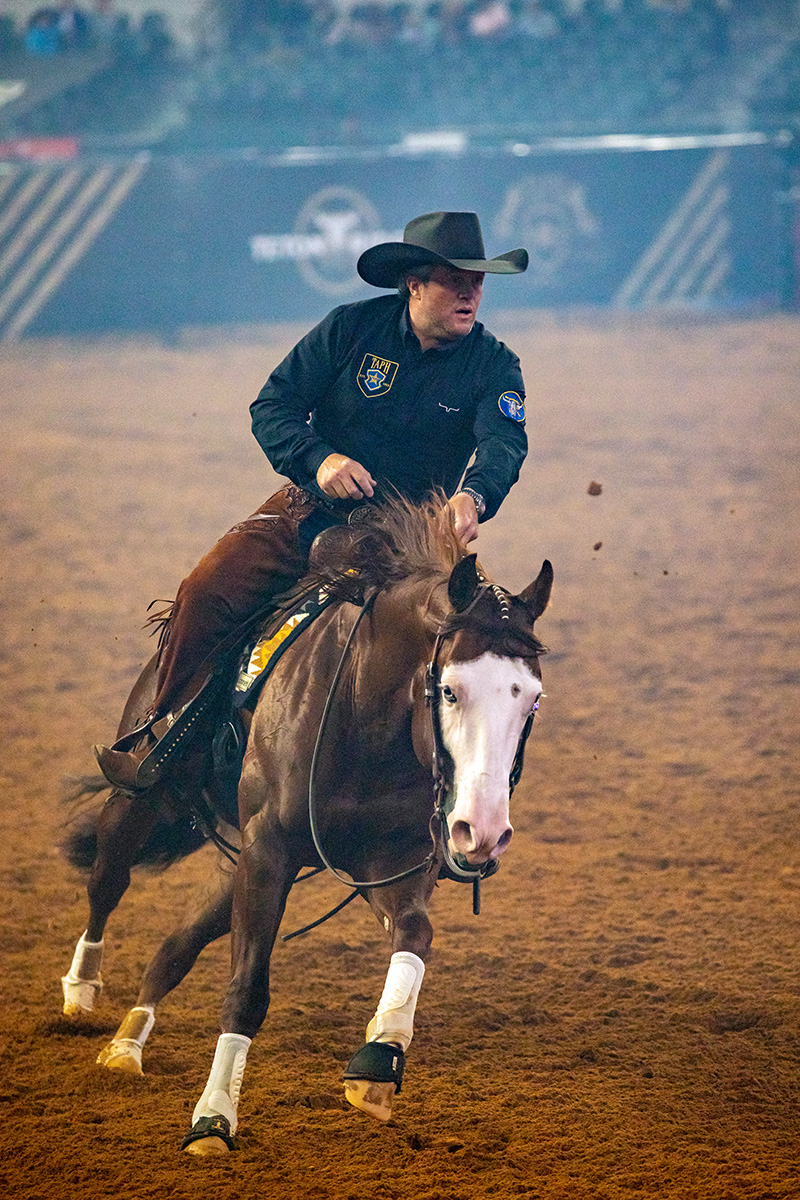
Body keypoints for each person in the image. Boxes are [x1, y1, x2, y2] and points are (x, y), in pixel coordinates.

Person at [95, 210, 530, 792]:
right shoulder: (350, 330)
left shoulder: (495, 365)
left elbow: (504, 443)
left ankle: (468, 792)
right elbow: (272, 406)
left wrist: (475, 495)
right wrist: (319, 459)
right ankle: (160, 735)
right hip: (309, 510)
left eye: (477, 281)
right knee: (205, 592)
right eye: (454, 279)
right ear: (415, 284)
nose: (470, 292)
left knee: (487, 644)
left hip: (417, 538)